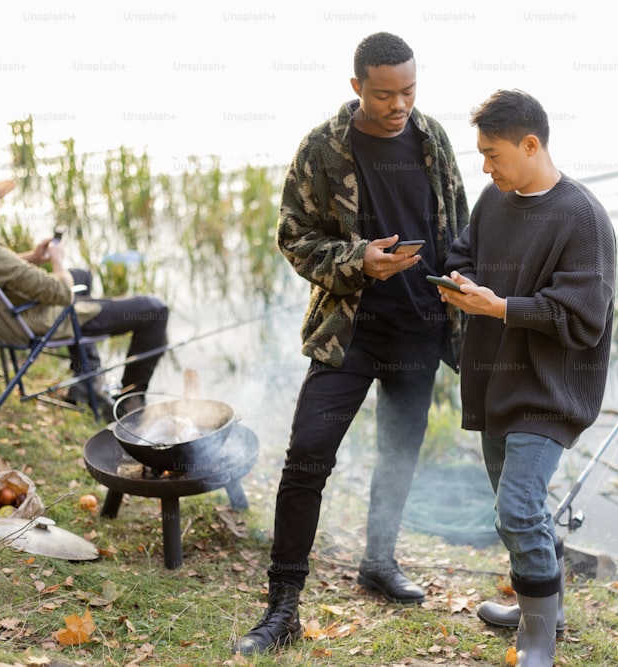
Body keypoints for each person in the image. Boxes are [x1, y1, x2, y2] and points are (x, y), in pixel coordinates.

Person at [232, 32, 468, 656]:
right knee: (307, 456)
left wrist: (463, 290)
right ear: (357, 85)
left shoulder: (433, 138)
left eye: (410, 91)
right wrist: (358, 260)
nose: (400, 105)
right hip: (349, 333)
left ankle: (378, 563)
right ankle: (283, 606)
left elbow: (460, 226)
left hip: (421, 329)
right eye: (386, 93)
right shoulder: (321, 148)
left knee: (399, 453)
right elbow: (293, 237)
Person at [437, 90, 616, 667]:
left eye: (493, 153)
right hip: (495, 383)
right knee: (521, 511)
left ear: (530, 144)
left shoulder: (583, 219)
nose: (485, 166)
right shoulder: (494, 199)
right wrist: (458, 281)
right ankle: (546, 606)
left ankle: (538, 639)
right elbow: (466, 251)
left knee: (516, 509)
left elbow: (581, 320)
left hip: (551, 390)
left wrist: (503, 308)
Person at [0, 166, 168, 418]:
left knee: (82, 276)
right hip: (38, 319)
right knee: (153, 310)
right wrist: (57, 262)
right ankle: (129, 402)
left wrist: (33, 258)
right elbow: (63, 293)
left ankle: (85, 379)